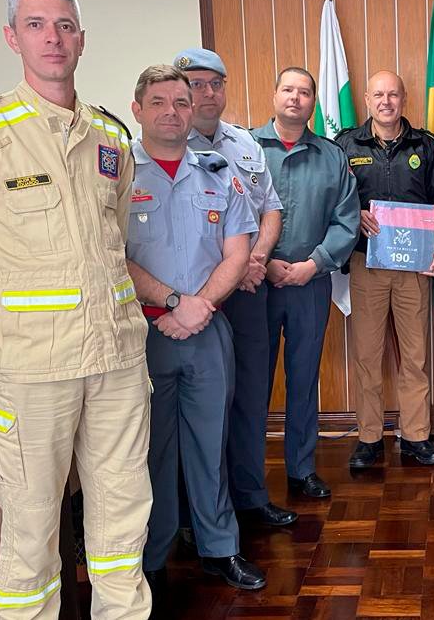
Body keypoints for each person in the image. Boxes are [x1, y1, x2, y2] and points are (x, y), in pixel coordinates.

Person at [0, 0, 152, 618]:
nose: (52, 38)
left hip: (115, 360)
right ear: (12, 37)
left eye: (64, 25)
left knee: (123, 527)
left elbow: (115, 238)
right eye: (36, 25)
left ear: (81, 39)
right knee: (29, 536)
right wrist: (15, 322)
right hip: (30, 368)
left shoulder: (110, 135)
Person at [125, 65, 264, 597]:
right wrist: (173, 303)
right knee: (149, 451)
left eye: (181, 103)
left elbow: (237, 253)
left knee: (212, 443)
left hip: (207, 329)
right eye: (159, 102)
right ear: (137, 110)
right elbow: (110, 254)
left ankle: (220, 548)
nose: (172, 112)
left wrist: (197, 307)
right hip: (140, 334)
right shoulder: (116, 175)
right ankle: (151, 557)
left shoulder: (218, 172)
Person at [173, 48, 297, 528]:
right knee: (199, 408)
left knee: (249, 396)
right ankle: (196, 513)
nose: (207, 93)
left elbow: (270, 209)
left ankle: (249, 496)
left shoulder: (245, 143)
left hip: (246, 293)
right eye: (196, 84)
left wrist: (254, 259)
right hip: (190, 299)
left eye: (215, 83)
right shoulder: (165, 142)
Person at [250, 67, 360, 498]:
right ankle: (248, 477)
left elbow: (346, 220)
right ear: (275, 94)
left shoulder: (331, 156)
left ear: (314, 102)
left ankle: (301, 469)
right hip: (253, 284)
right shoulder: (246, 148)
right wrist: (261, 262)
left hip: (310, 285)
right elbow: (232, 212)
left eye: (304, 92)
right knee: (252, 381)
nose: (295, 98)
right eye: (288, 90)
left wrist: (313, 265)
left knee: (303, 378)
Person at [335, 71, 434, 468]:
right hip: (365, 262)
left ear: (404, 99)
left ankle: (416, 435)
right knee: (368, 356)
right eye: (378, 95)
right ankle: (369, 438)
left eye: (393, 95)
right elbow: (333, 200)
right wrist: (355, 216)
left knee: (415, 356)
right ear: (367, 99)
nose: (386, 102)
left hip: (414, 266)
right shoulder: (346, 145)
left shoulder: (426, 146)